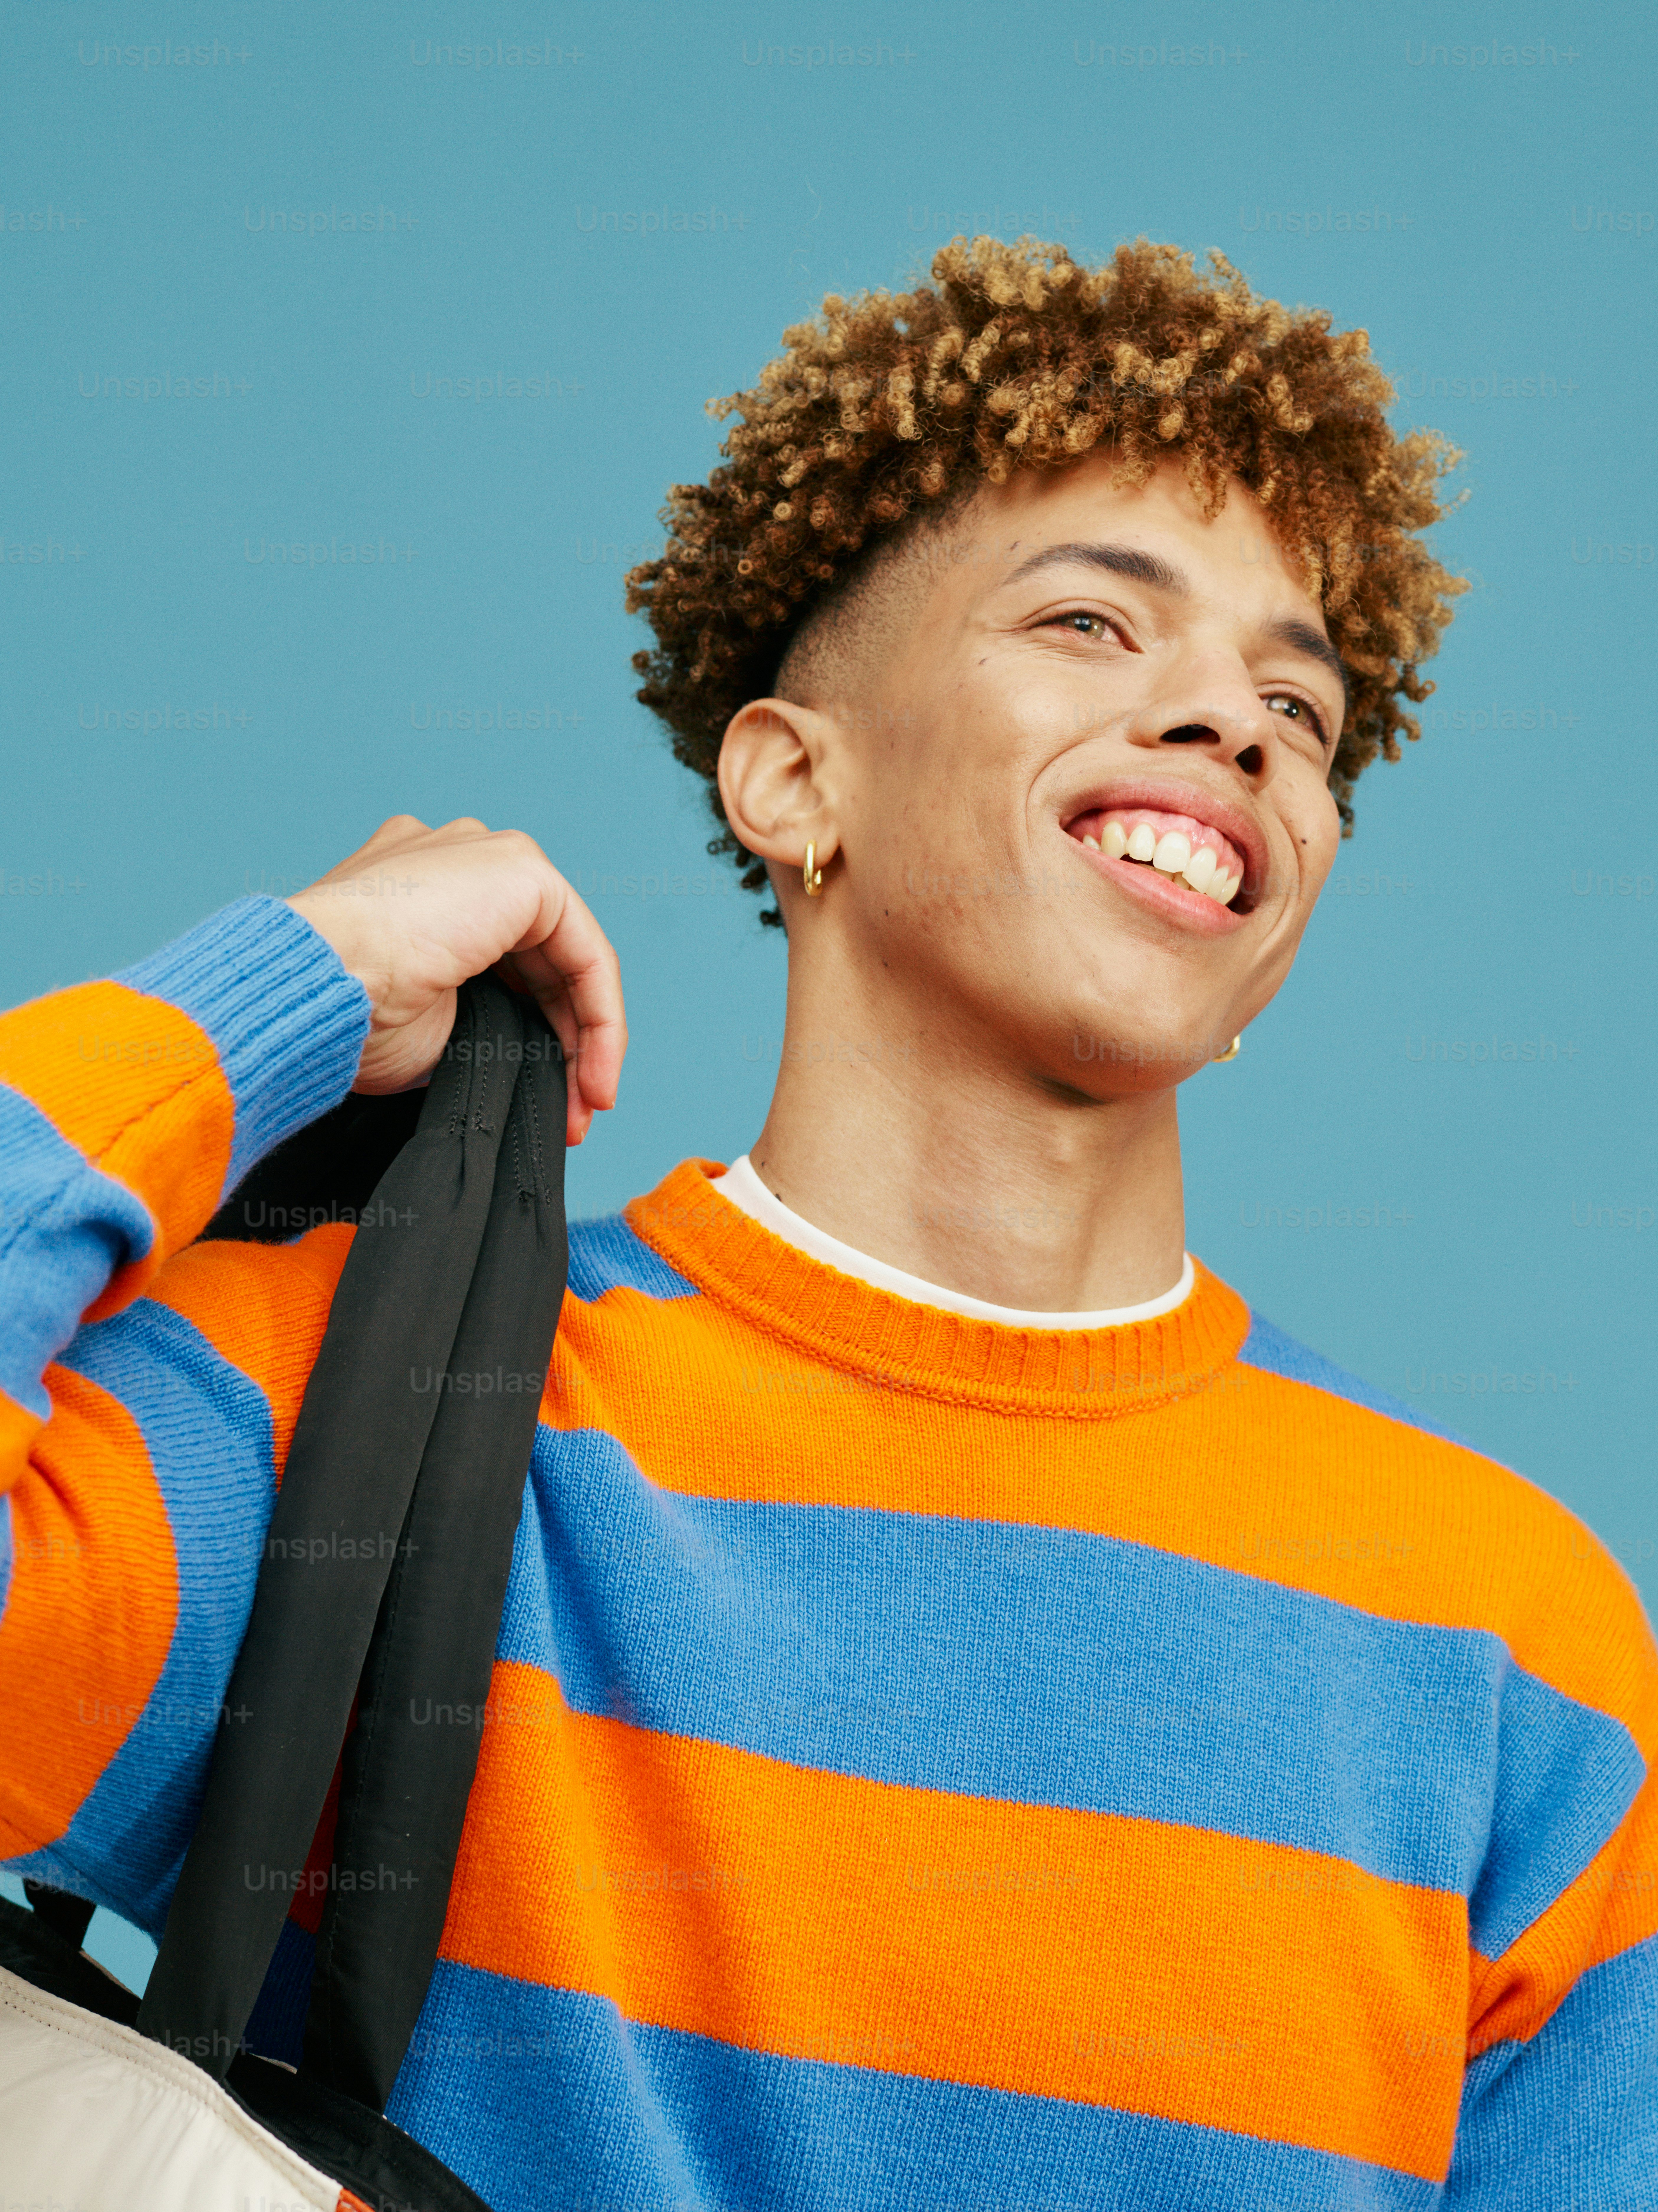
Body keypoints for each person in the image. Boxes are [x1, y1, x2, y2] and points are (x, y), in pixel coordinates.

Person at [2, 236, 1653, 2206]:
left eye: (1297, 710)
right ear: (793, 779)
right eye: (1091, 625)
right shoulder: (372, 1408)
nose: (1235, 725)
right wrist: (279, 989)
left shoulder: (1514, 1635)